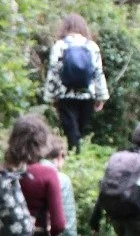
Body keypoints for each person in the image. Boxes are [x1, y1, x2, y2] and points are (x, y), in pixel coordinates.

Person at [42, 13, 109, 151]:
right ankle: (77, 156)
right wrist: (101, 97)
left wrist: (50, 96)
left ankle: (74, 155)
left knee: (71, 131)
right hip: (87, 95)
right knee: (79, 129)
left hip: (65, 95)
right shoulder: (92, 46)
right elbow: (98, 73)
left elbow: (53, 72)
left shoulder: (60, 46)